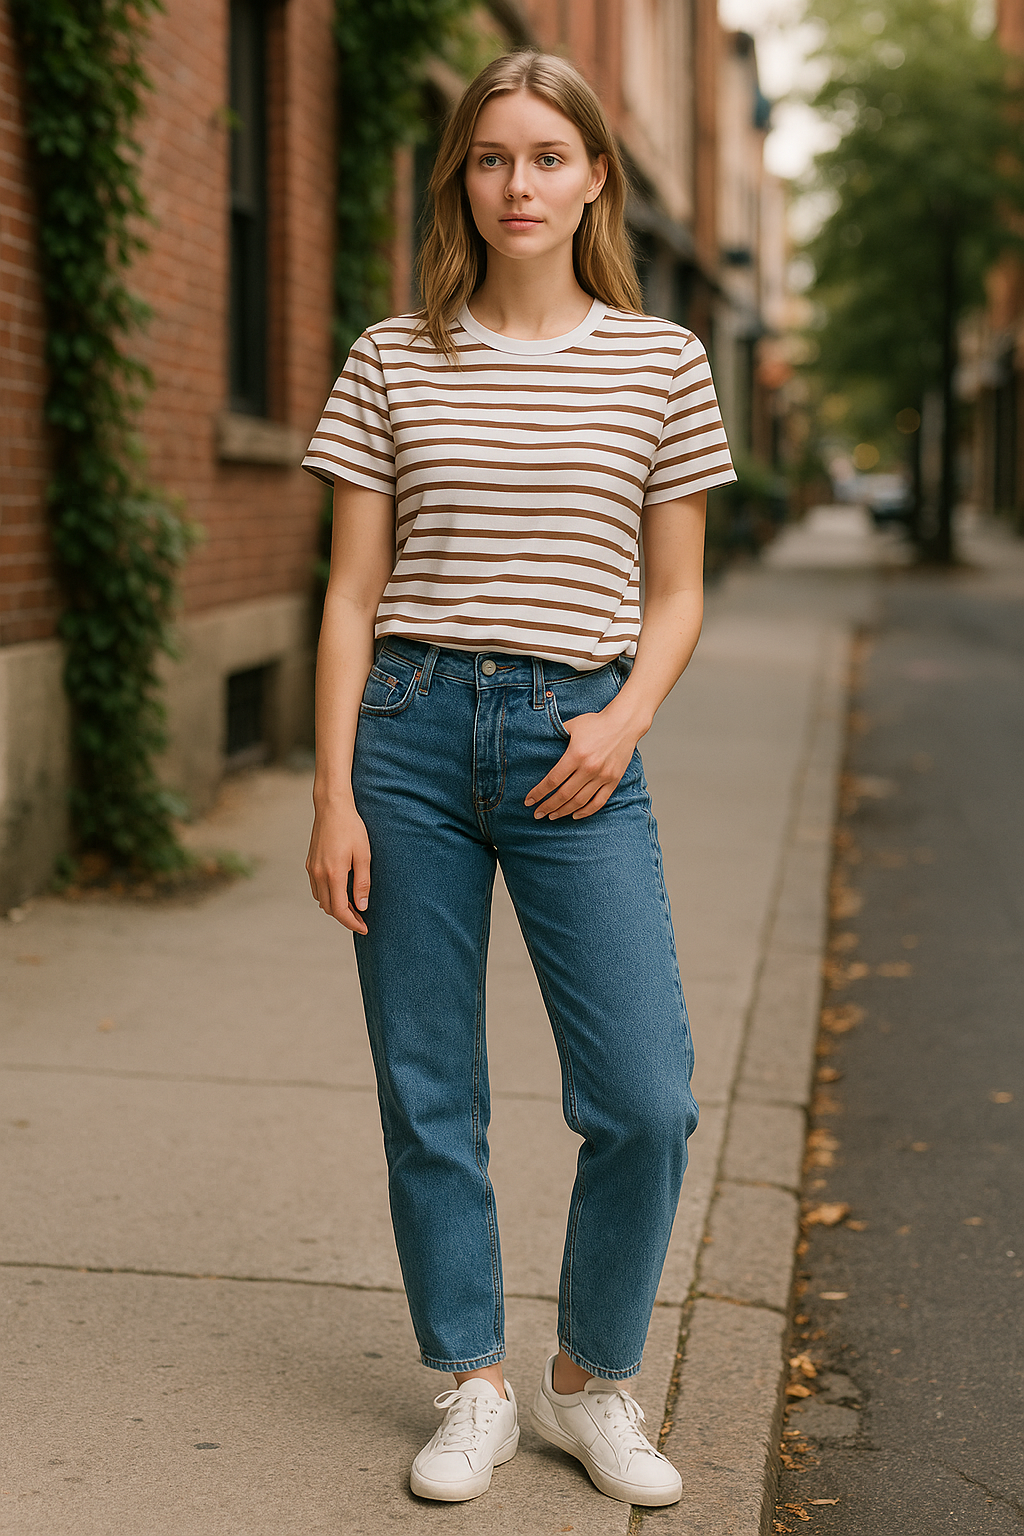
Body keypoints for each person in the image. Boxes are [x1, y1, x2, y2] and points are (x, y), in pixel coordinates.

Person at [303, 49, 735, 1508]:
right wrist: (332, 794)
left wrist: (625, 721)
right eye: (492, 158)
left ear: (597, 176)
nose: (519, 185)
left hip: (578, 741)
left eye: (549, 157)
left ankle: (588, 1381)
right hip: (409, 733)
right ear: (462, 181)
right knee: (430, 1088)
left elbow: (677, 591)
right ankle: (473, 1381)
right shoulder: (390, 356)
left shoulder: (664, 361)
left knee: (647, 1098)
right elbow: (348, 591)